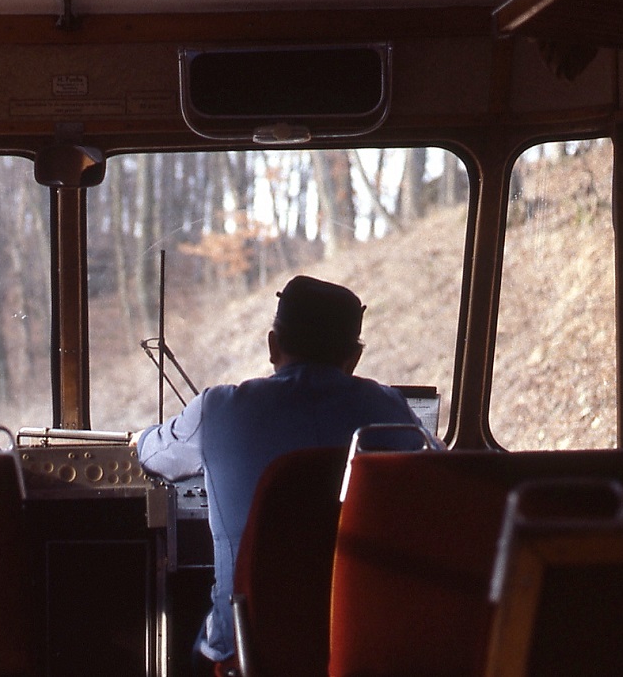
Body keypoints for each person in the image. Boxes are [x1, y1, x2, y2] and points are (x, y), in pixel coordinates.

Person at [133, 276, 423, 674]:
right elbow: (432, 474)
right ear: (354, 357)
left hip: (248, 650)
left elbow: (152, 456)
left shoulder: (219, 409)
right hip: (362, 645)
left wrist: (142, 437)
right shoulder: (390, 409)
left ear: (273, 345)